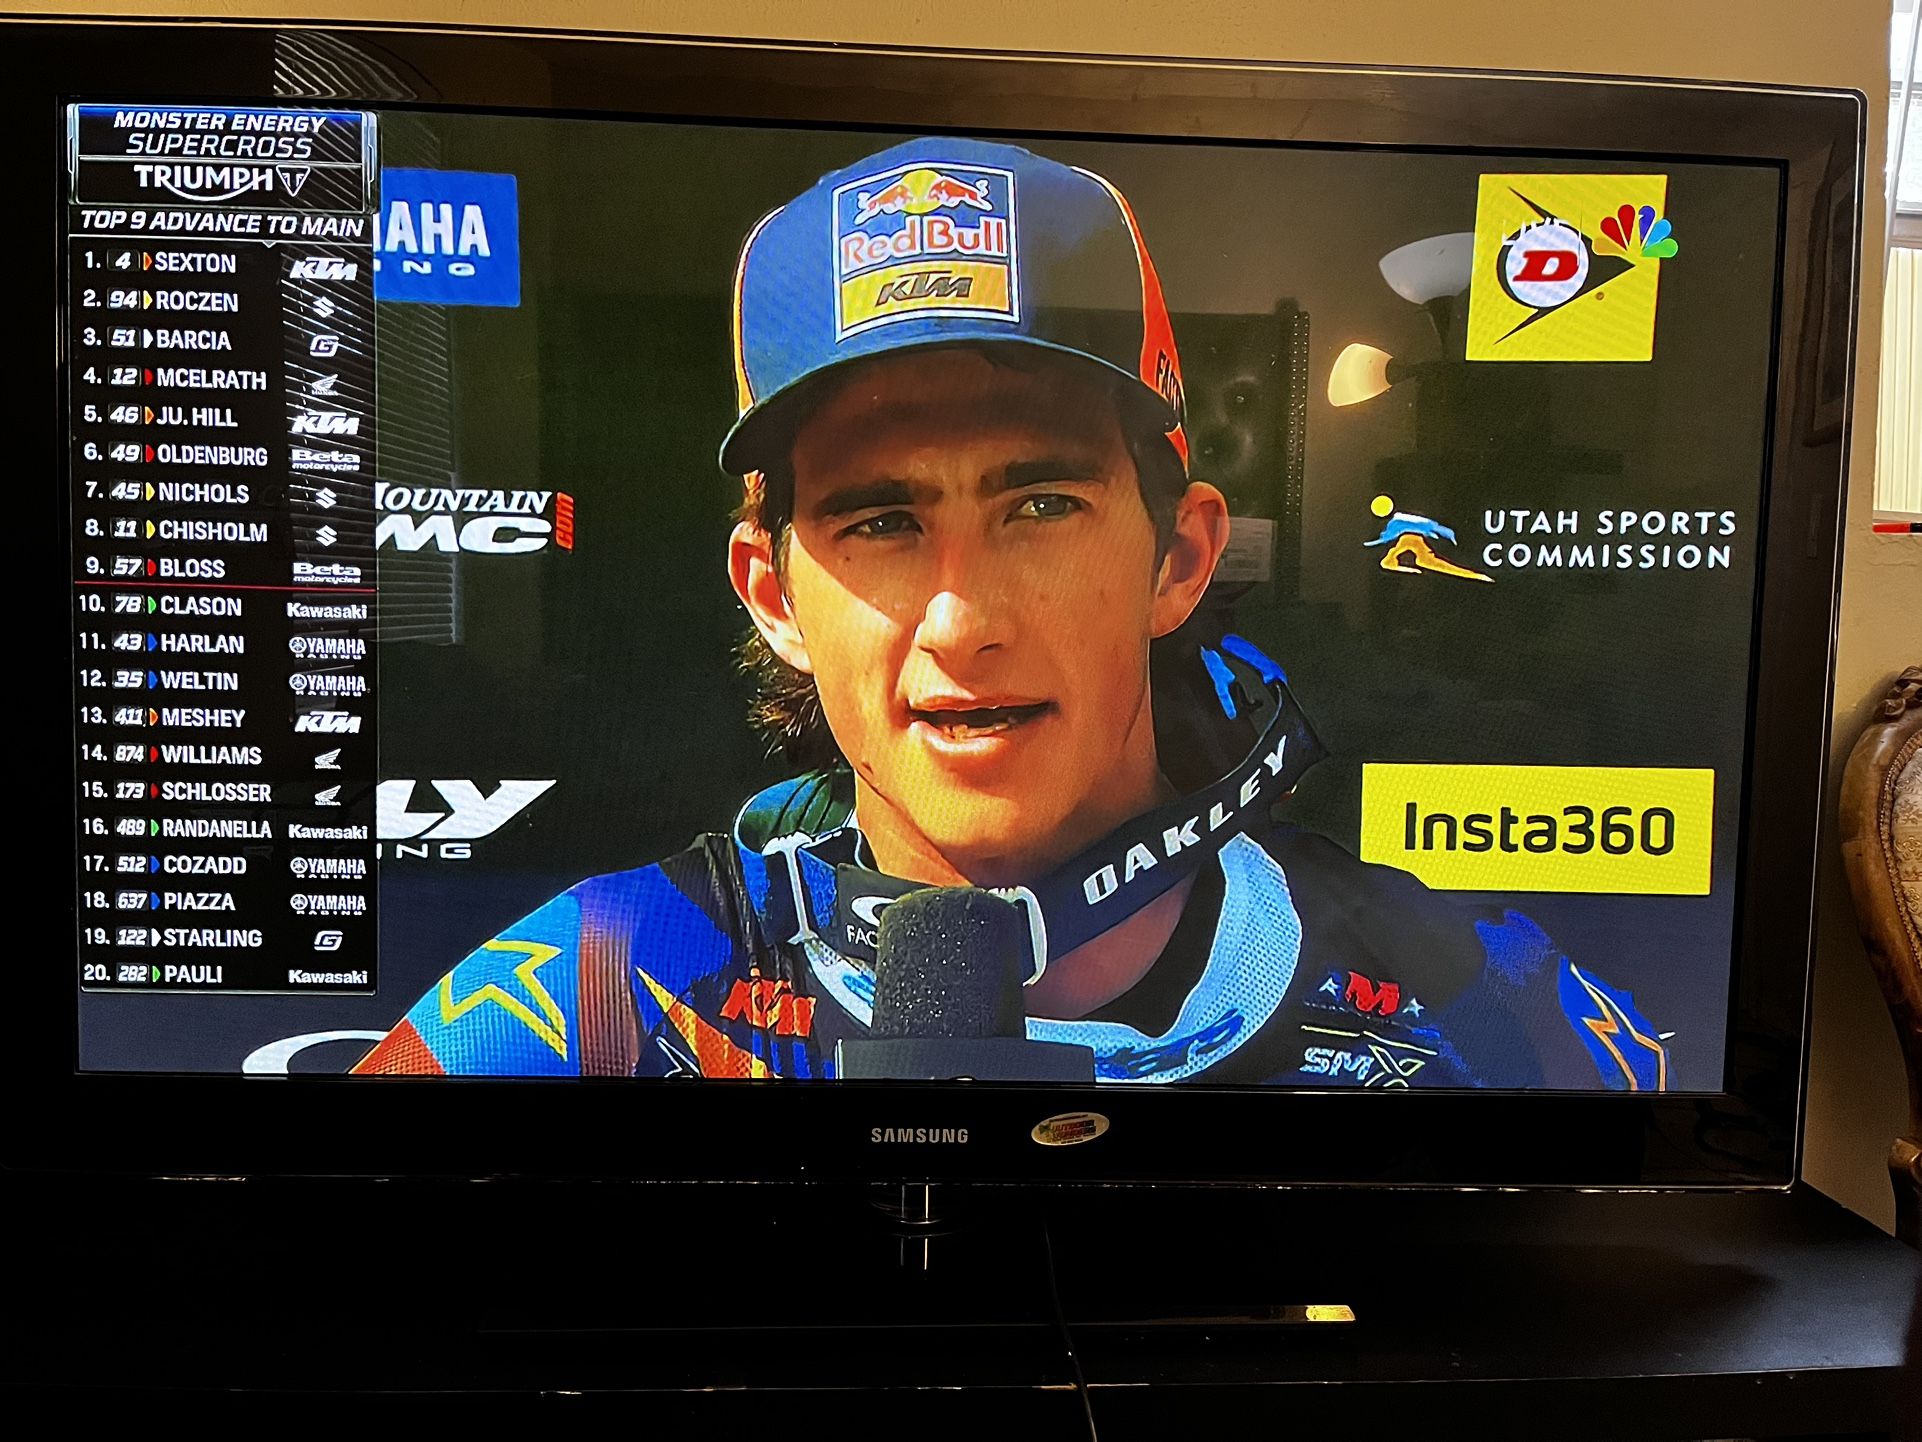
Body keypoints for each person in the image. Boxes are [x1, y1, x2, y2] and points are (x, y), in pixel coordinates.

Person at [352, 137, 1669, 1089]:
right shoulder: (605, 973)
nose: (961, 620)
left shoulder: (1457, 978)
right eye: (880, 522)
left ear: (1178, 558)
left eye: (1039, 505)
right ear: (773, 596)